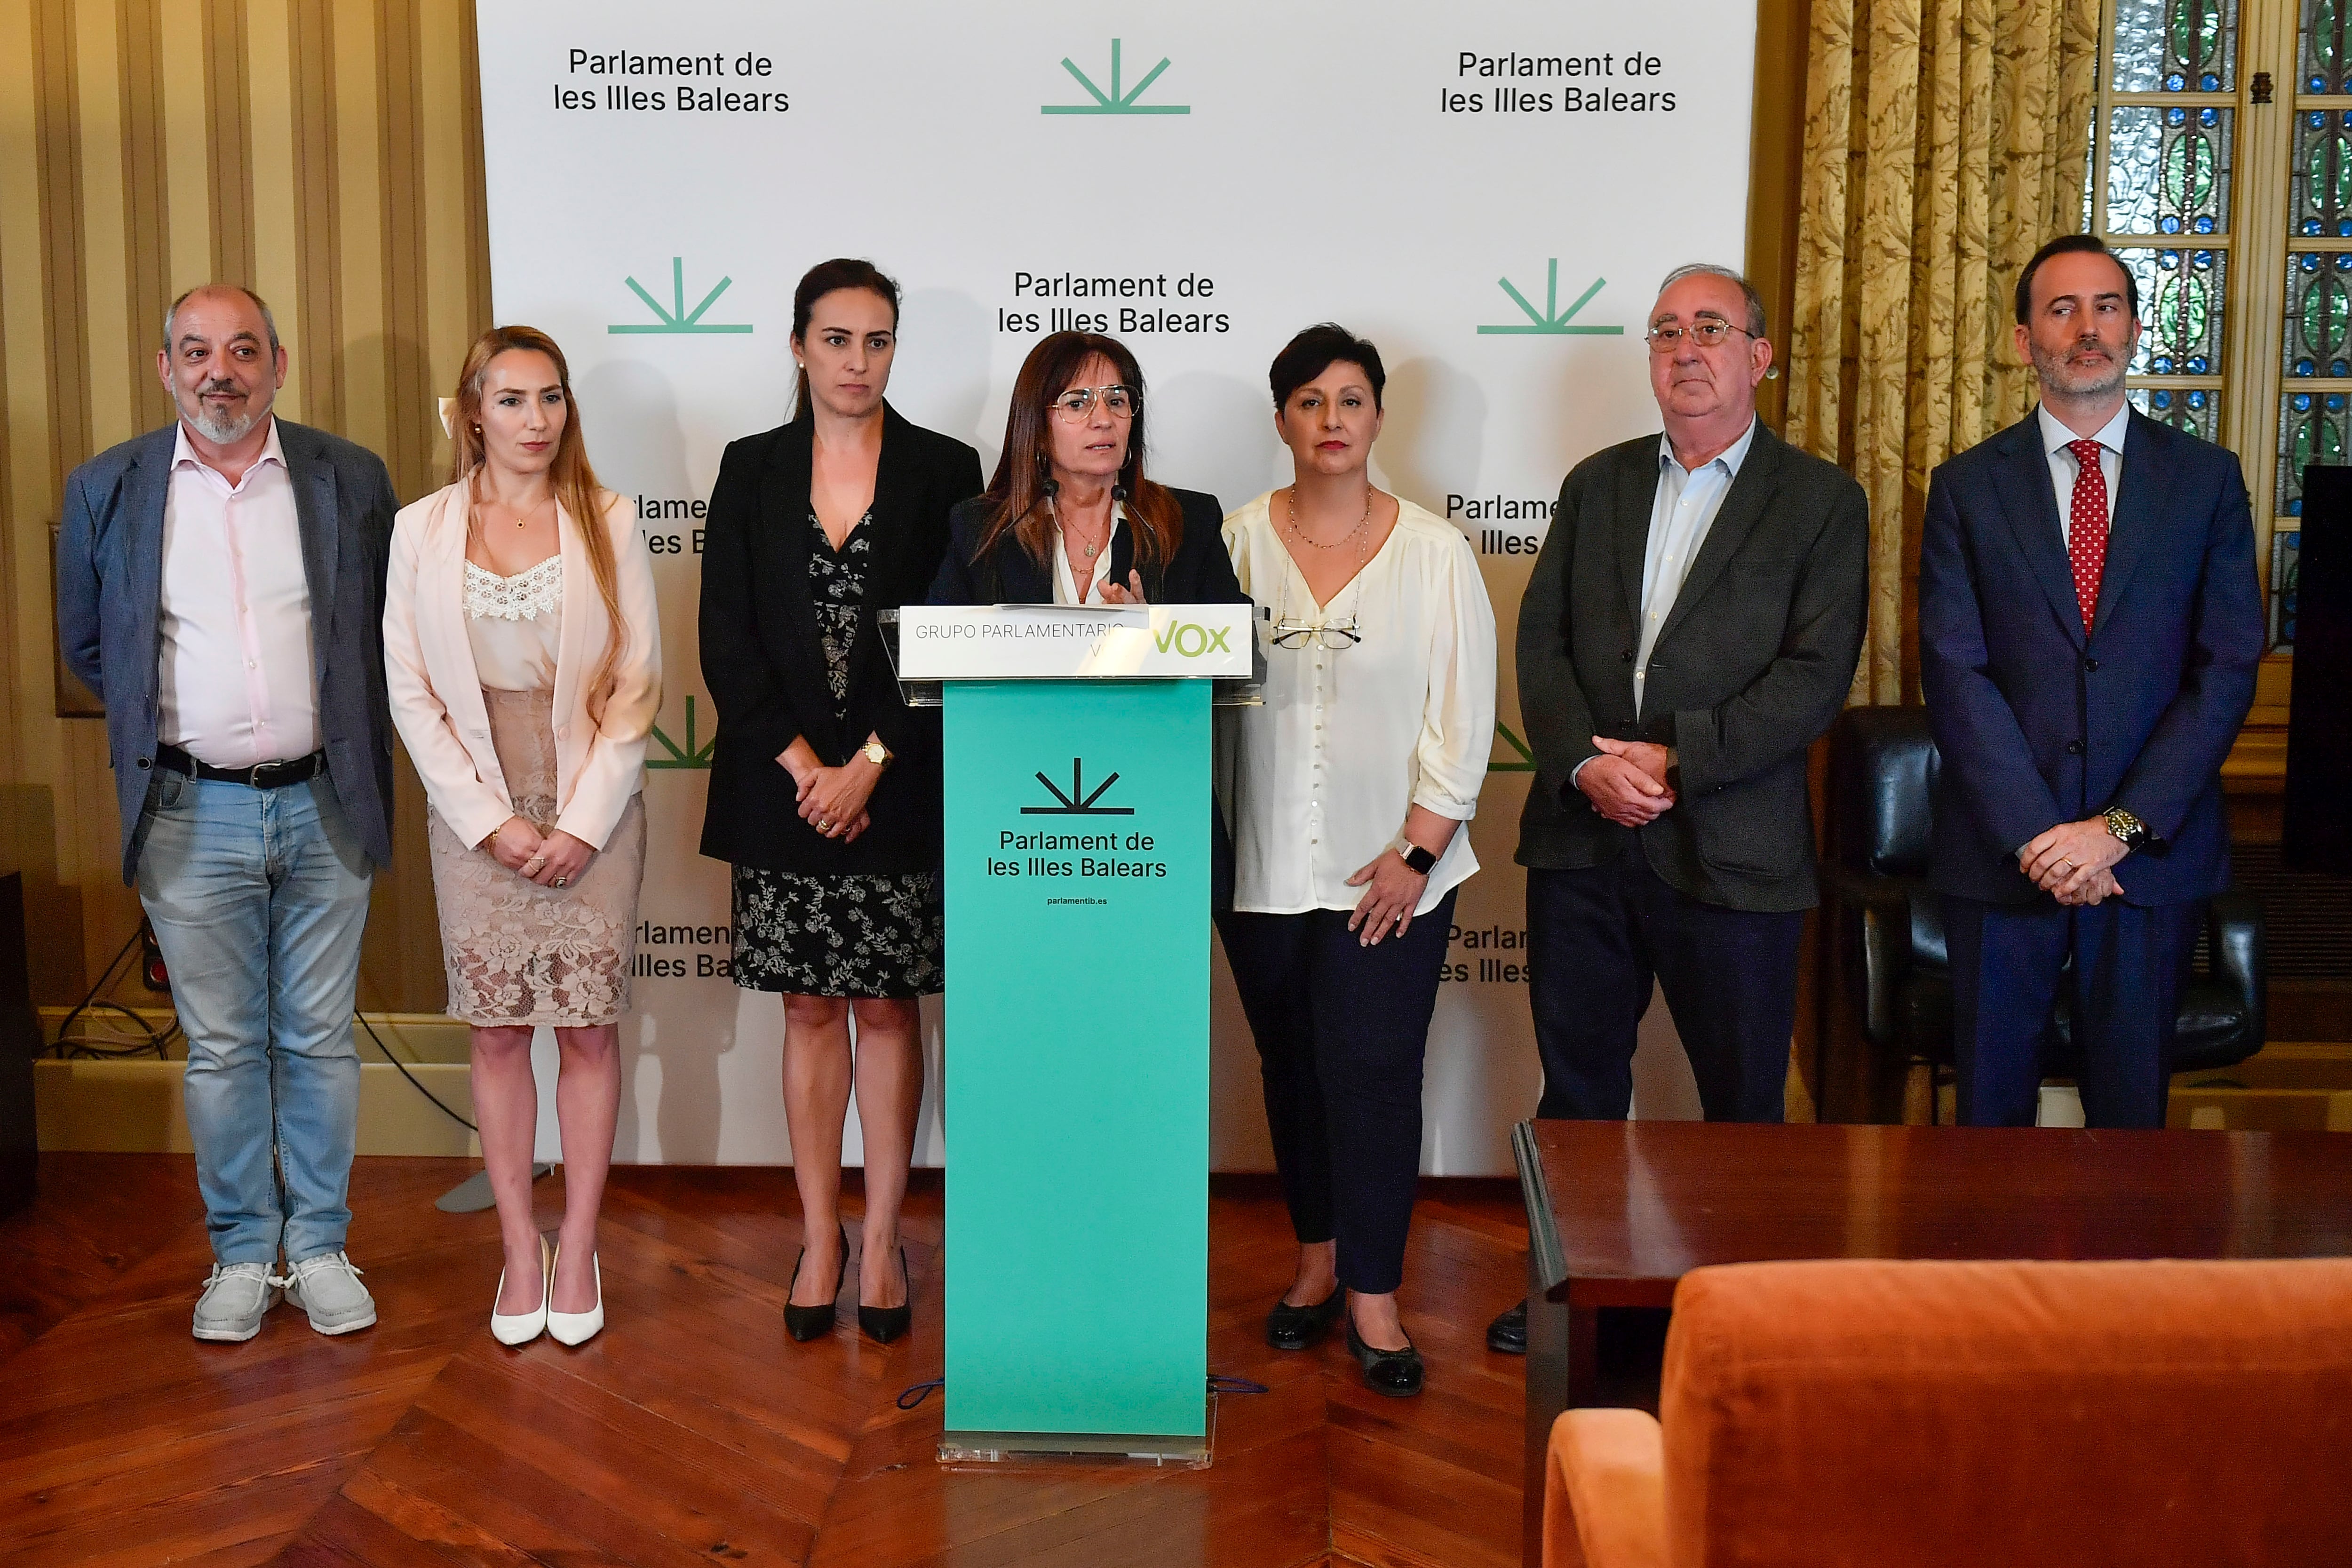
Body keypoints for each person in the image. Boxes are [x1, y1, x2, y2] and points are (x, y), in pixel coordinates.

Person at [1490, 263, 1869, 1355]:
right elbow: (1543, 643)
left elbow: (1812, 677)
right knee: (1575, 1094)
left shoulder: (1819, 503)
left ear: (1759, 356)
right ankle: (1571, 1293)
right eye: (1665, 332)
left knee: (1743, 1106)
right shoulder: (1595, 484)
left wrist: (1672, 761)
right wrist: (1578, 763)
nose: (1685, 349)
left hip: (1735, 851)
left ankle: (1738, 1311)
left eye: (1711, 329)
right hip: (1583, 841)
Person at [55, 285, 399, 1342]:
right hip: (186, 810)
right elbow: (87, 645)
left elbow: (389, 631)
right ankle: (244, 1254)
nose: (221, 371)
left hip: (324, 802)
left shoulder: (351, 480)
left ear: (278, 364)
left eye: (243, 350)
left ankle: (324, 1245)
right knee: (221, 1047)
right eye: (198, 352)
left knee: (319, 1039)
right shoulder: (109, 487)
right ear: (165, 369)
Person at [700, 259, 982, 1344]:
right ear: (798, 346)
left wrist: (867, 761)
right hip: (784, 790)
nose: (856, 362)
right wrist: (807, 767)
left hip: (898, 787)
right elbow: (727, 637)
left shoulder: (947, 470)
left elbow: (955, 635)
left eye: (876, 341)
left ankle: (880, 1239)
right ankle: (818, 1235)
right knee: (809, 1010)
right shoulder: (749, 468)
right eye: (836, 340)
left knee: (886, 1010)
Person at [1920, 235, 2262, 1129]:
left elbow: (2225, 669)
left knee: (2131, 1122)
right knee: (1990, 1120)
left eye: (2107, 305)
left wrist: (2115, 830)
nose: (2087, 328)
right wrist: (2042, 836)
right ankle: (1989, 1277)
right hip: (2006, 858)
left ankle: (2122, 1277)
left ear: (2137, 328)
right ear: (2024, 338)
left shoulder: (2207, 482)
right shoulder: (1963, 487)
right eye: (2061, 309)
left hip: (2146, 862)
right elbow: (1955, 671)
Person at [1217, 325, 1496, 1397]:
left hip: (1394, 878)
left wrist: (1417, 853)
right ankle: (1315, 1262)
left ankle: (1375, 1297)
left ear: (1378, 415)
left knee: (1374, 1079)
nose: (1331, 421)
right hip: (1261, 873)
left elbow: (1462, 720)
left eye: (1350, 400)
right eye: (1308, 402)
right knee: (1290, 1073)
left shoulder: (1434, 553)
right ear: (1281, 419)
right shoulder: (1235, 545)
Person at [383, 326, 661, 1347]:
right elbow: (410, 692)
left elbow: (635, 688)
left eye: (551, 399)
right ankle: (516, 1249)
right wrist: (489, 820)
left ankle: (578, 1245)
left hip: (594, 791)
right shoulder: (420, 529)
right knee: (497, 1031)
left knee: (588, 1026)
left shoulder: (611, 519)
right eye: (511, 400)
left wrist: (582, 822)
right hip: (472, 800)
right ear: (471, 412)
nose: (535, 421)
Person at [928, 331, 1243, 606]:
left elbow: (1240, 656)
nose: (1104, 420)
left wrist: (1153, 636)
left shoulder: (1189, 523)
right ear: (1037, 427)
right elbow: (933, 654)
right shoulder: (983, 531)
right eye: (1077, 404)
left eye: (1117, 401)